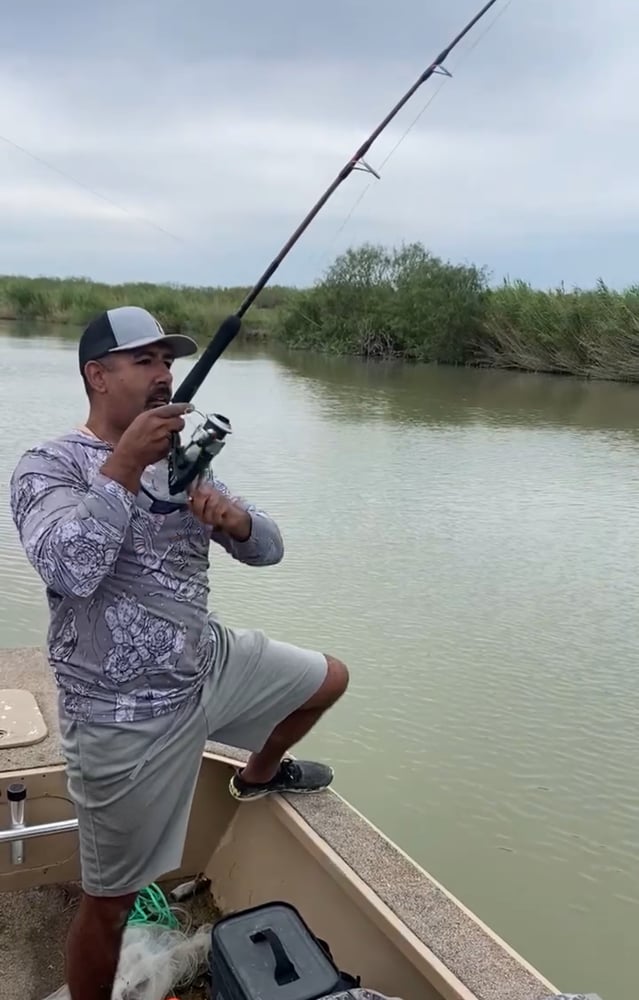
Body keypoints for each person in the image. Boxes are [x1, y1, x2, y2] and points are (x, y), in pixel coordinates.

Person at [9, 305, 349, 1000]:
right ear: (97, 376)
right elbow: (71, 570)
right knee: (110, 902)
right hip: (120, 712)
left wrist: (237, 522)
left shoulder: (180, 460)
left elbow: (271, 548)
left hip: (208, 664)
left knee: (327, 680)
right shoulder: (46, 467)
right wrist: (125, 463)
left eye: (168, 361)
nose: (164, 374)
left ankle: (256, 775)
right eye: (145, 361)